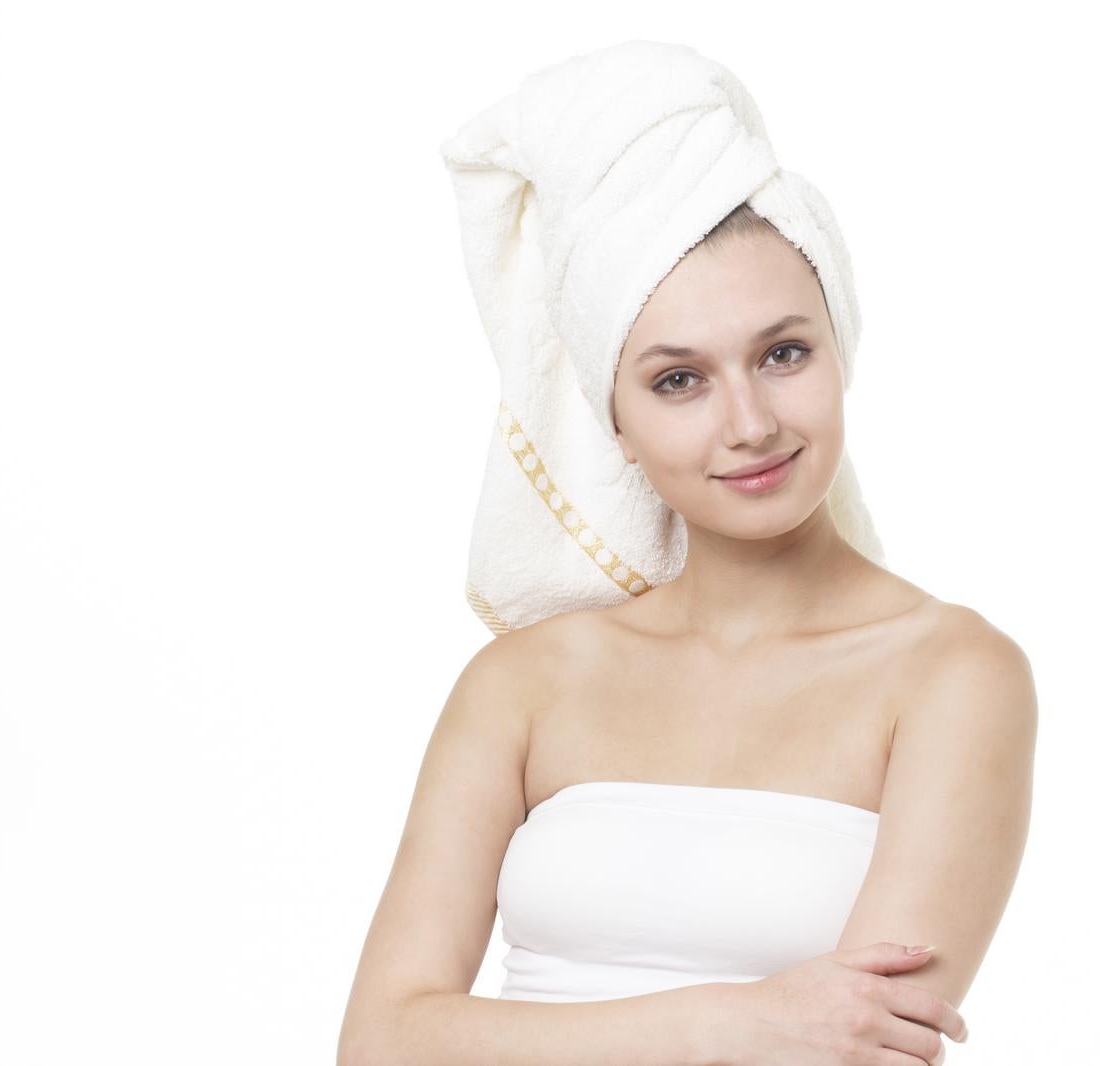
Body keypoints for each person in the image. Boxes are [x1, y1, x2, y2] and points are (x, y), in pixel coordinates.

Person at [340, 40, 1037, 1066]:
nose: (749, 423)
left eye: (783, 353)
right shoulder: (522, 682)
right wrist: (733, 1018)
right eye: (678, 380)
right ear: (612, 419)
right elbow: (379, 1040)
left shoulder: (950, 675)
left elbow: (862, 1055)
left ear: (841, 348)